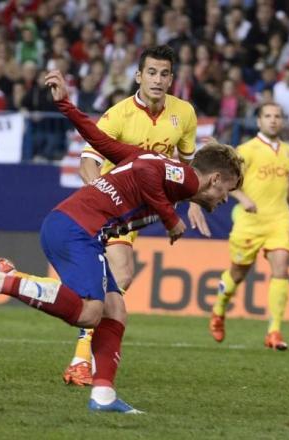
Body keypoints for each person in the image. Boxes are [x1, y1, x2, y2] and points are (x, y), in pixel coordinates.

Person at [0, 69, 244, 413]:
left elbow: (102, 143)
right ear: (216, 178)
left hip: (75, 226)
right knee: (90, 313)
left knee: (115, 310)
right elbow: (148, 175)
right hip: (76, 228)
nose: (227, 197)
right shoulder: (184, 178)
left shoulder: (167, 168)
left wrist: (67, 106)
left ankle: (103, 395)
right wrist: (169, 217)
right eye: (229, 189)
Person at [71, 45, 211, 388]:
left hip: (141, 212)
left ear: (172, 79)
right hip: (111, 207)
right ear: (138, 76)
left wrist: (193, 200)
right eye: (151, 73)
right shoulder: (118, 115)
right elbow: (86, 161)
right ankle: (80, 360)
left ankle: (12, 283)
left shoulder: (185, 114)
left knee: (108, 285)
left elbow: (186, 166)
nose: (158, 80)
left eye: (164, 74)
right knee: (119, 277)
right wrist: (101, 191)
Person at [209, 102, 289, 350]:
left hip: (278, 220)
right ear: (259, 121)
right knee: (238, 273)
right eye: (267, 116)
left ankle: (274, 331)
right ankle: (219, 308)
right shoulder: (246, 151)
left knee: (281, 267)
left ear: (282, 121)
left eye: (277, 116)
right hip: (249, 221)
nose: (273, 120)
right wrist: (242, 197)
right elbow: (227, 180)